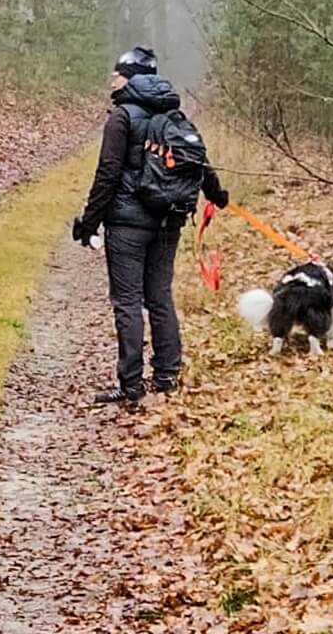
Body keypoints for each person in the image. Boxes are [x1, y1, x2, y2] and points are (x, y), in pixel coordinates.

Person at [75, 46, 229, 404]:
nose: (112, 80)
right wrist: (217, 195)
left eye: (116, 74)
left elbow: (108, 173)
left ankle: (130, 385)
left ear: (129, 77)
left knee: (127, 301)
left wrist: (89, 222)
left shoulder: (122, 117)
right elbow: (199, 161)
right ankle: (166, 375)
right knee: (159, 295)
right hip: (168, 221)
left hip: (128, 225)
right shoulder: (174, 115)